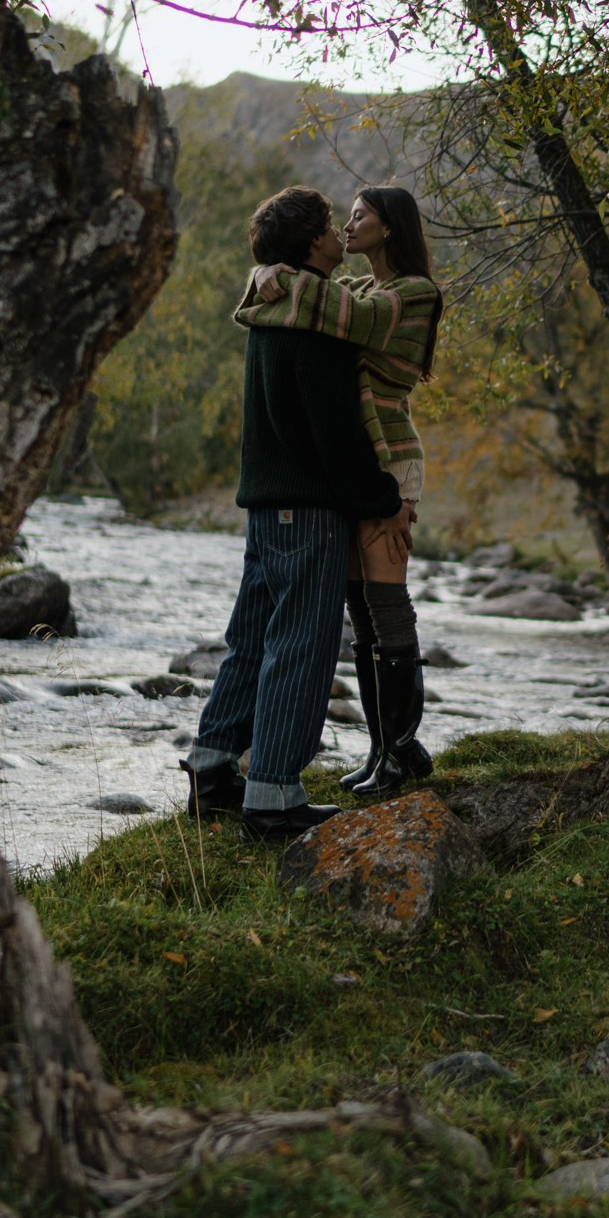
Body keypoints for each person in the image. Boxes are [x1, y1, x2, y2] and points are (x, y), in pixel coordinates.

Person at [182, 187, 403, 839]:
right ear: (313, 243)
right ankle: (272, 797)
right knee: (302, 646)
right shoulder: (318, 317)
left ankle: (214, 764)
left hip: (266, 505)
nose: (340, 235)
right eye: (332, 226)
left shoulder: (271, 306)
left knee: (252, 639)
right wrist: (376, 495)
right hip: (306, 509)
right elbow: (330, 429)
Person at [231, 185, 442, 798]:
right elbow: (287, 308)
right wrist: (263, 277)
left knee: (386, 602)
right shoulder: (355, 288)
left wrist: (270, 274)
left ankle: (401, 748)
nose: (347, 226)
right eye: (343, 218)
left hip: (389, 468)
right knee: (359, 609)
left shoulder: (413, 295)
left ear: (391, 227)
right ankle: (384, 749)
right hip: (354, 470)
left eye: (359, 216)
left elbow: (344, 319)